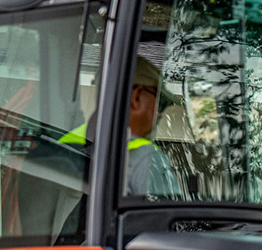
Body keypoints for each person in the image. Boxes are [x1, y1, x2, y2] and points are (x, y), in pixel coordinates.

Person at [58, 57, 182, 198]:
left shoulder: (64, 144)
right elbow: (166, 216)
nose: (161, 114)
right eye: (162, 103)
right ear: (137, 96)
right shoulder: (146, 158)